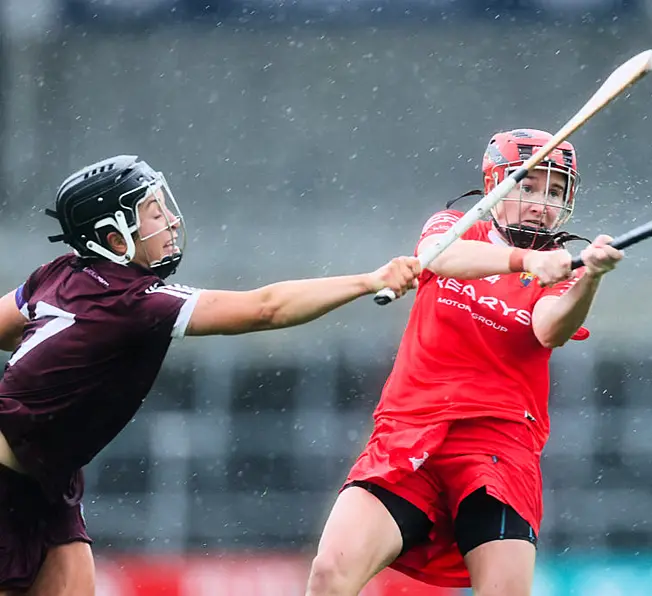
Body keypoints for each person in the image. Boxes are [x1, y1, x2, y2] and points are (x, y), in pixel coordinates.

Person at [0, 154, 422, 596]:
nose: (169, 222)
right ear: (114, 237)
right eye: (152, 212)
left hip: (50, 480)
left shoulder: (56, 275)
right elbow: (266, 308)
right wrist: (369, 281)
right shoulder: (134, 303)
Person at [305, 128, 624, 596]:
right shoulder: (457, 227)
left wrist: (589, 279)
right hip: (411, 430)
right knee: (330, 573)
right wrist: (522, 261)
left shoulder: (559, 267)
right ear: (496, 184)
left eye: (554, 192)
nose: (541, 203)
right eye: (528, 185)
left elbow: (549, 328)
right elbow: (440, 256)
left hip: (500, 444)